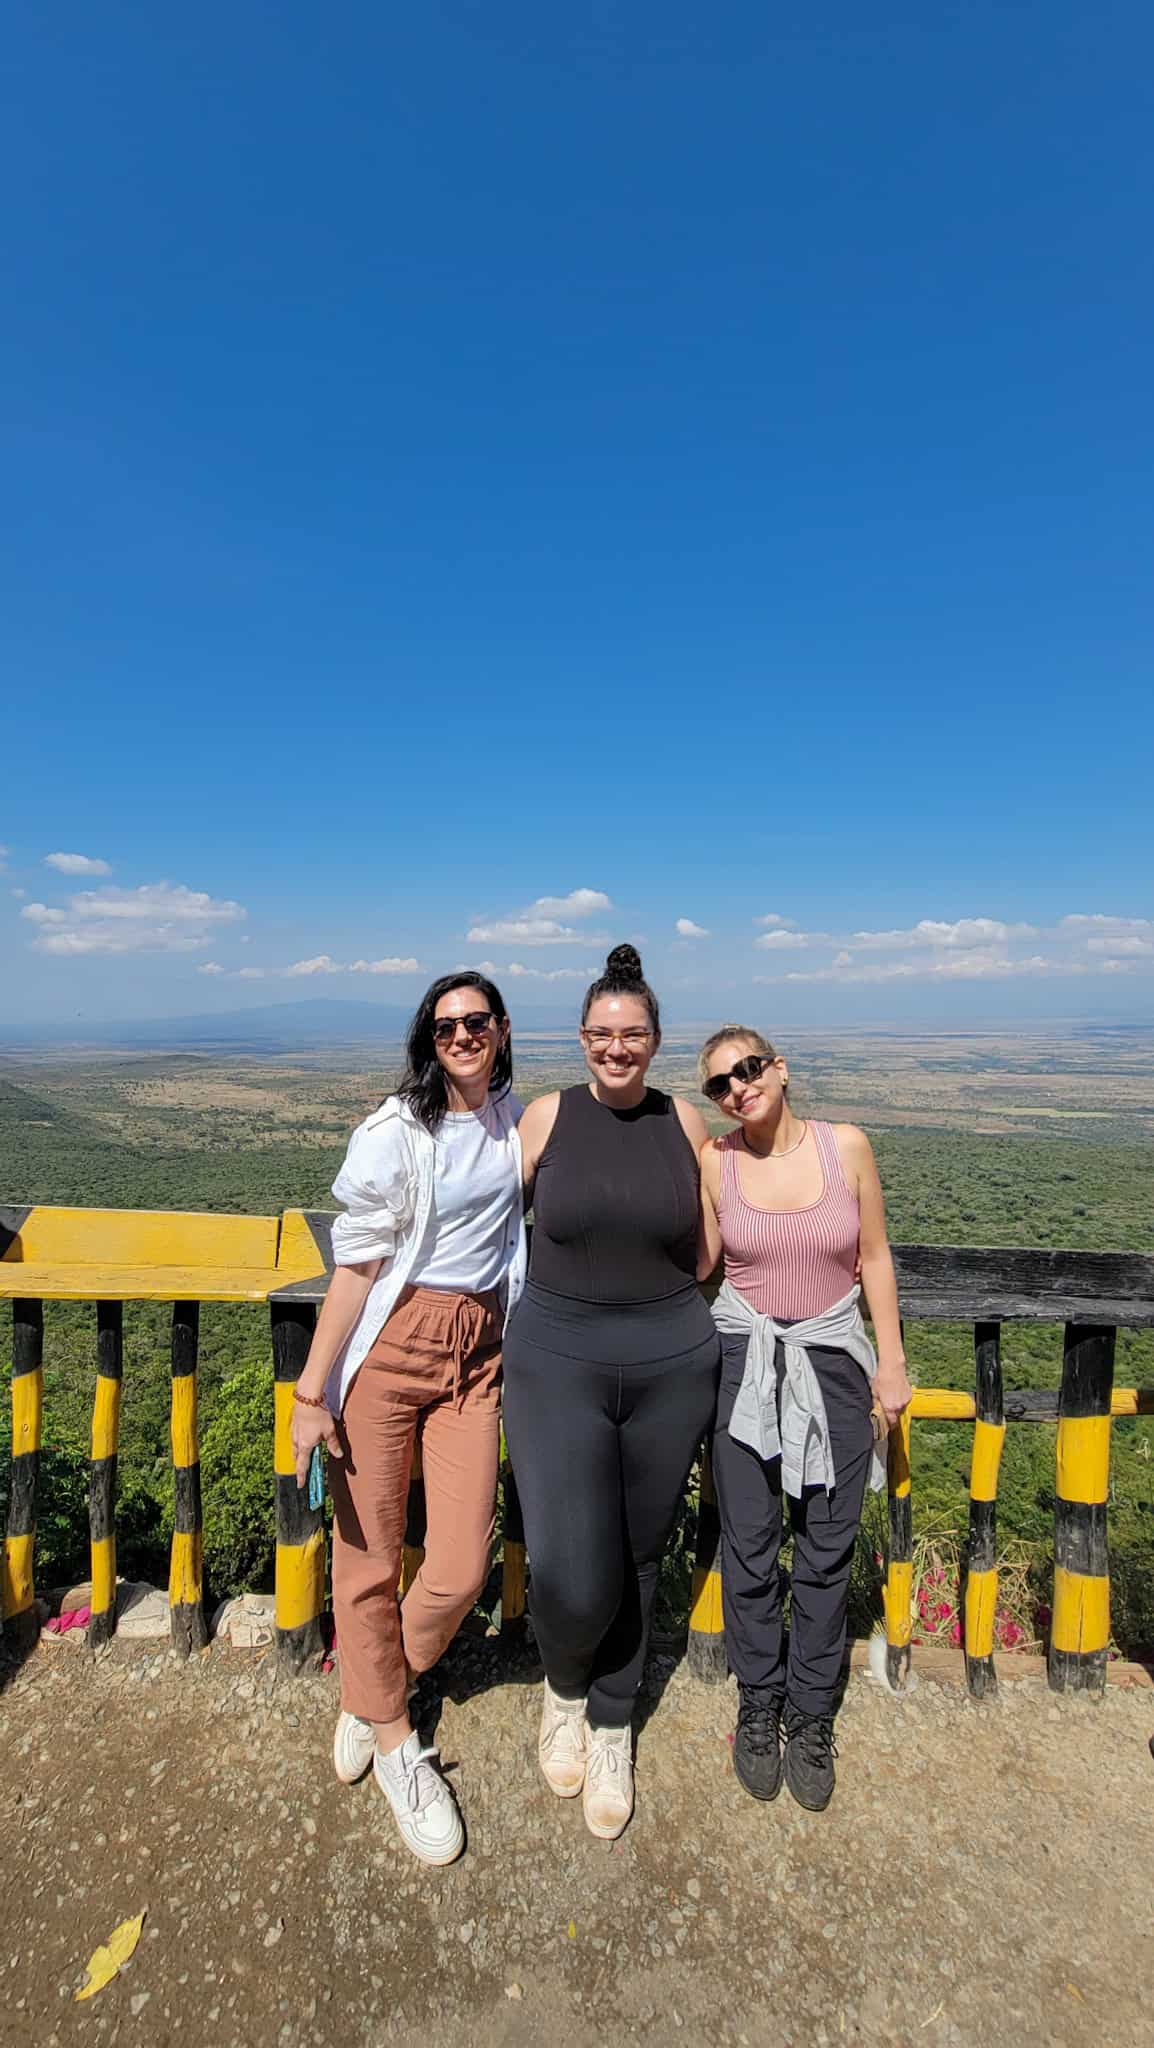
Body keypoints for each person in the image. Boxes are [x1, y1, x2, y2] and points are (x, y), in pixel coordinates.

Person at [289, 972, 526, 1866]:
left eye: (476, 1022)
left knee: (460, 1561)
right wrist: (314, 1394)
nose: (461, 1036)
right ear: (428, 1042)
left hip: (478, 1353)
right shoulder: (397, 1133)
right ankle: (397, 1743)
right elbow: (354, 1270)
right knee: (369, 1556)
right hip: (390, 1348)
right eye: (445, 1027)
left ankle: (371, 1684)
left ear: (502, 1030)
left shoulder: (514, 1123)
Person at [504, 945, 720, 1840]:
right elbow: (475, 1218)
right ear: (582, 1037)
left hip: (671, 1356)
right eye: (602, 1034)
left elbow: (710, 1250)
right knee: (567, 1562)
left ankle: (611, 1721)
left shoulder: (687, 1125)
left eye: (633, 1034)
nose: (617, 1047)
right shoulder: (549, 1117)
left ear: (656, 1040)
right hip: (556, 1353)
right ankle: (563, 1686)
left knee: (640, 1549)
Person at [697, 1025, 911, 1813]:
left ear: (780, 1069)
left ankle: (811, 1714)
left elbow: (877, 1257)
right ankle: (761, 1702)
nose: (738, 1088)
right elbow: (698, 1259)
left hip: (831, 1362)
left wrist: (889, 1361)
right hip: (743, 1367)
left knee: (826, 1551)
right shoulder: (716, 1161)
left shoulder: (844, 1147)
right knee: (750, 1553)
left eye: (748, 1070)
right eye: (720, 1083)